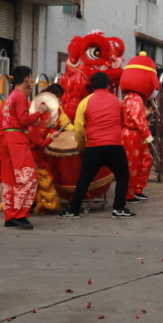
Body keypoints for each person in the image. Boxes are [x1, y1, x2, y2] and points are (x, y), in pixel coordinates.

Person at [60, 71, 134, 218]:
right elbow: (122, 122)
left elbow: (79, 129)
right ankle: (118, 208)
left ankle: (73, 210)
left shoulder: (85, 102)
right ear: (107, 84)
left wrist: (82, 147)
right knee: (123, 177)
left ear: (92, 85)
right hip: (114, 146)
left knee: (84, 179)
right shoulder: (116, 101)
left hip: (93, 148)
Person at [0, 65, 49, 229]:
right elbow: (23, 120)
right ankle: (19, 215)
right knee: (28, 177)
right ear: (27, 78)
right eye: (31, 78)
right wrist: (40, 112)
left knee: (10, 179)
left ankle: (9, 215)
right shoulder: (20, 96)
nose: (31, 81)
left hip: (7, 137)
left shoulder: (11, 96)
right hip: (17, 138)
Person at [120, 52, 160, 203]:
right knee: (133, 164)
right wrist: (147, 134)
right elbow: (138, 118)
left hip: (136, 134)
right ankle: (129, 193)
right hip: (132, 135)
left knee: (144, 161)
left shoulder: (133, 98)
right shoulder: (134, 98)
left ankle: (137, 189)